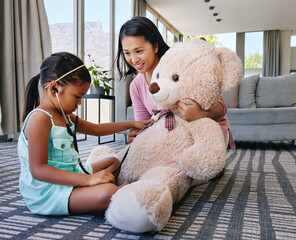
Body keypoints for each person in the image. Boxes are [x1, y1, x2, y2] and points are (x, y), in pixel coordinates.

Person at [18, 52, 151, 216]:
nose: (79, 103)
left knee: (113, 161)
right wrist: (88, 180)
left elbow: (97, 129)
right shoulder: (40, 119)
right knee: (107, 193)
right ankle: (112, 193)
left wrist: (132, 123)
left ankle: (101, 191)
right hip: (49, 191)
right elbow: (39, 170)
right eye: (77, 96)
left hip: (72, 176)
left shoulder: (65, 116)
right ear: (54, 89)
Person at [115, 17, 236, 150]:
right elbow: (145, 124)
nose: (133, 59)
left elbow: (222, 106)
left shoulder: (180, 65)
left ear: (155, 46)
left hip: (207, 133)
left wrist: (201, 114)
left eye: (139, 51)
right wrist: (139, 134)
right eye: (127, 53)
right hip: (174, 136)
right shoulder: (136, 86)